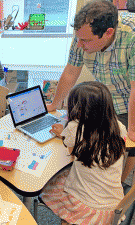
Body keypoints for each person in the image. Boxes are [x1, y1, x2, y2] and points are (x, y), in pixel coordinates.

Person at [46, 0, 135, 184]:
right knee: (86, 139)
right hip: (106, 98)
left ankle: (117, 190)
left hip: (130, 99)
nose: (79, 44)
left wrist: (132, 130)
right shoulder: (83, 35)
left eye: (85, 41)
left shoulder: (131, 37)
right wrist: (55, 104)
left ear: (108, 33)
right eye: (78, 38)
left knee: (122, 147)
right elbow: (71, 72)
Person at [41, 81, 127, 225]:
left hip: (87, 210)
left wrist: (64, 134)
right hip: (114, 207)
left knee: (47, 183)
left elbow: (71, 151)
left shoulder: (76, 128)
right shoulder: (118, 127)